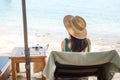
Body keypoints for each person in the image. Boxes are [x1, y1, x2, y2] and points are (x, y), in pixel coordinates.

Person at [61, 15, 91, 80]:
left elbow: (62, 61)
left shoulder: (65, 43)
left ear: (69, 30)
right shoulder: (88, 42)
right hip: (84, 77)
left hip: (67, 76)